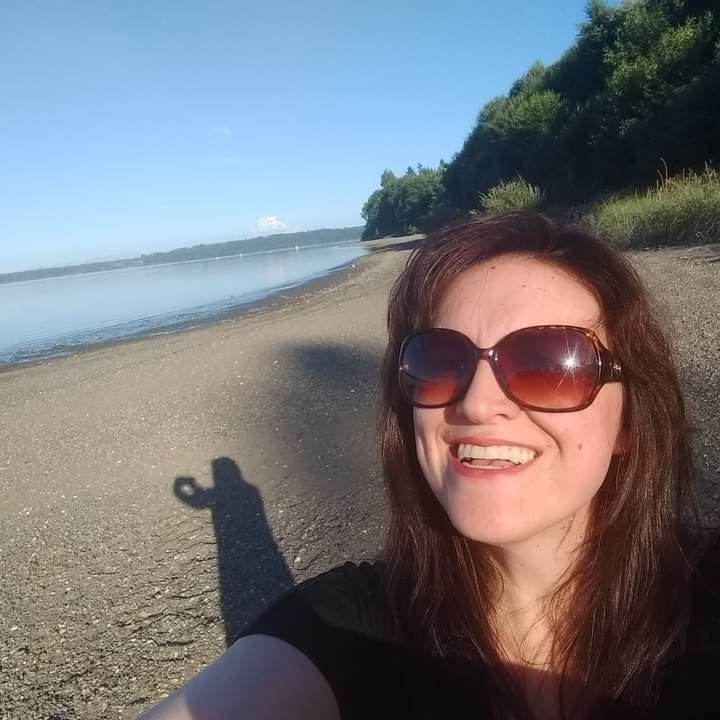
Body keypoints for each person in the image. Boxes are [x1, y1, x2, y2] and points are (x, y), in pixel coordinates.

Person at [141, 211, 720, 720]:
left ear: (627, 423)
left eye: (549, 362)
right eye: (442, 360)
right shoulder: (345, 628)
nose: (475, 402)